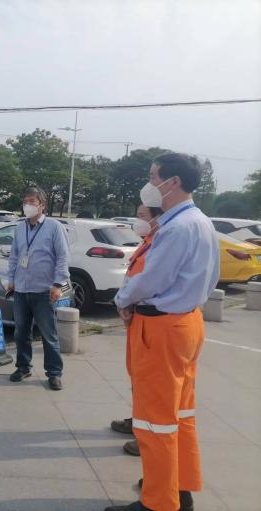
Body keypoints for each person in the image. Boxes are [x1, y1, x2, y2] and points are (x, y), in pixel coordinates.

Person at [106, 154, 219, 511]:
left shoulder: (177, 227)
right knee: (180, 415)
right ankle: (177, 488)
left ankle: (158, 502)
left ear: (173, 182)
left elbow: (151, 280)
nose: (150, 183)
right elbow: (210, 279)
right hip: (186, 322)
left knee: (155, 421)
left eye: (154, 176)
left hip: (161, 328)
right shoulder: (200, 222)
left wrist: (123, 299)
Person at [109, 203, 163, 458]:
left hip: (153, 320)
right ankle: (138, 421)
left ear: (156, 218)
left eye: (142, 216)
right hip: (136, 317)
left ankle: (148, 436)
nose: (136, 220)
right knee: (137, 375)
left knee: (150, 381)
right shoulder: (147, 242)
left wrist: (126, 302)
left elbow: (148, 283)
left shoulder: (160, 246)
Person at [6, 187, 69, 390]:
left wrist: (58, 284)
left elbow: (63, 257)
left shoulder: (54, 227)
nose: (27, 205)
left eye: (32, 201)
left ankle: (54, 373)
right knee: (21, 332)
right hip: (21, 289)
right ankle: (23, 367)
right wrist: (11, 279)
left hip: (44, 290)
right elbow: (14, 256)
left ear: (42, 205)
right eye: (25, 201)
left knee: (48, 335)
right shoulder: (20, 228)